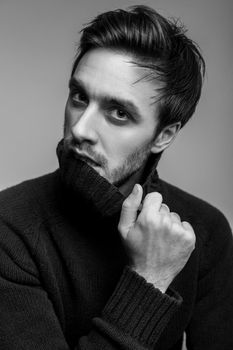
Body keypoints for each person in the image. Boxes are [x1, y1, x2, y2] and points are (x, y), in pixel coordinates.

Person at [0, 4, 232, 349]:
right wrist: (150, 280)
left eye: (119, 113)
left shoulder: (202, 231)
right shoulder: (9, 228)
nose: (80, 129)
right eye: (79, 97)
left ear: (163, 136)